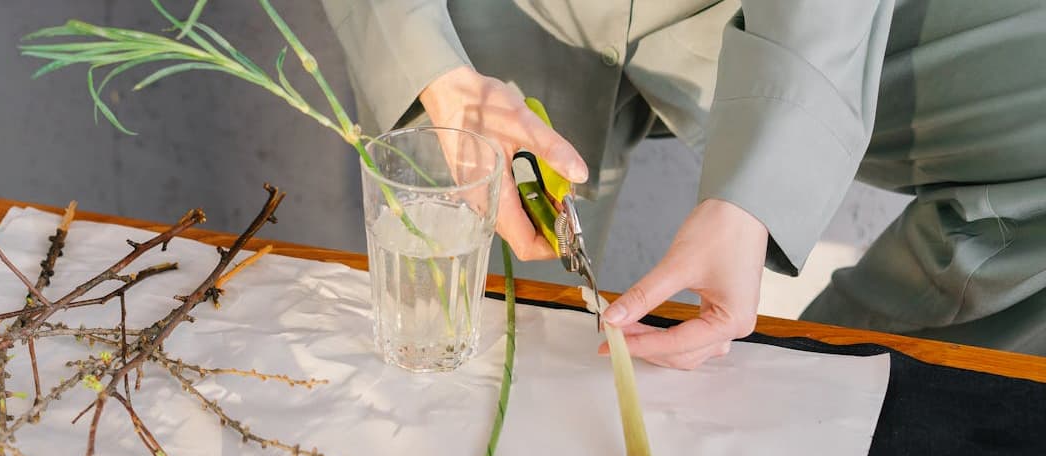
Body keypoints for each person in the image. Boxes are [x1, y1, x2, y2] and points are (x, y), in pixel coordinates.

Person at [319, 0, 1046, 368]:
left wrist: (758, 186)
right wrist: (426, 71)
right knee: (474, 343)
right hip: (489, 18)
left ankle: (824, 394)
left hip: (757, 16)